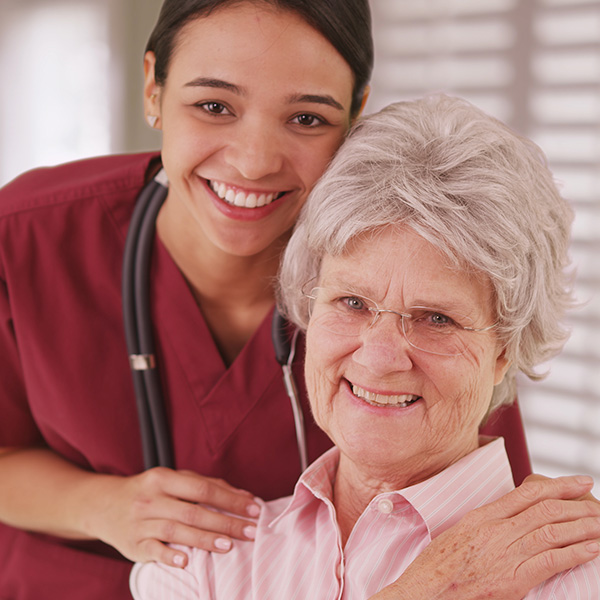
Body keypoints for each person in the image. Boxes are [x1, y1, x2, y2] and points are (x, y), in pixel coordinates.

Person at [0, 1, 595, 598]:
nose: (254, 160)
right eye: (214, 106)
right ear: (153, 86)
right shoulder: (30, 235)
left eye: (307, 118)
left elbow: (487, 532)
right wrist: (99, 504)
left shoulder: (424, 263)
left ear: (354, 113)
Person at [130, 94, 600, 599]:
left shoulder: (583, 574)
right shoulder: (197, 564)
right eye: (352, 302)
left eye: (436, 318)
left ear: (504, 349)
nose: (379, 355)